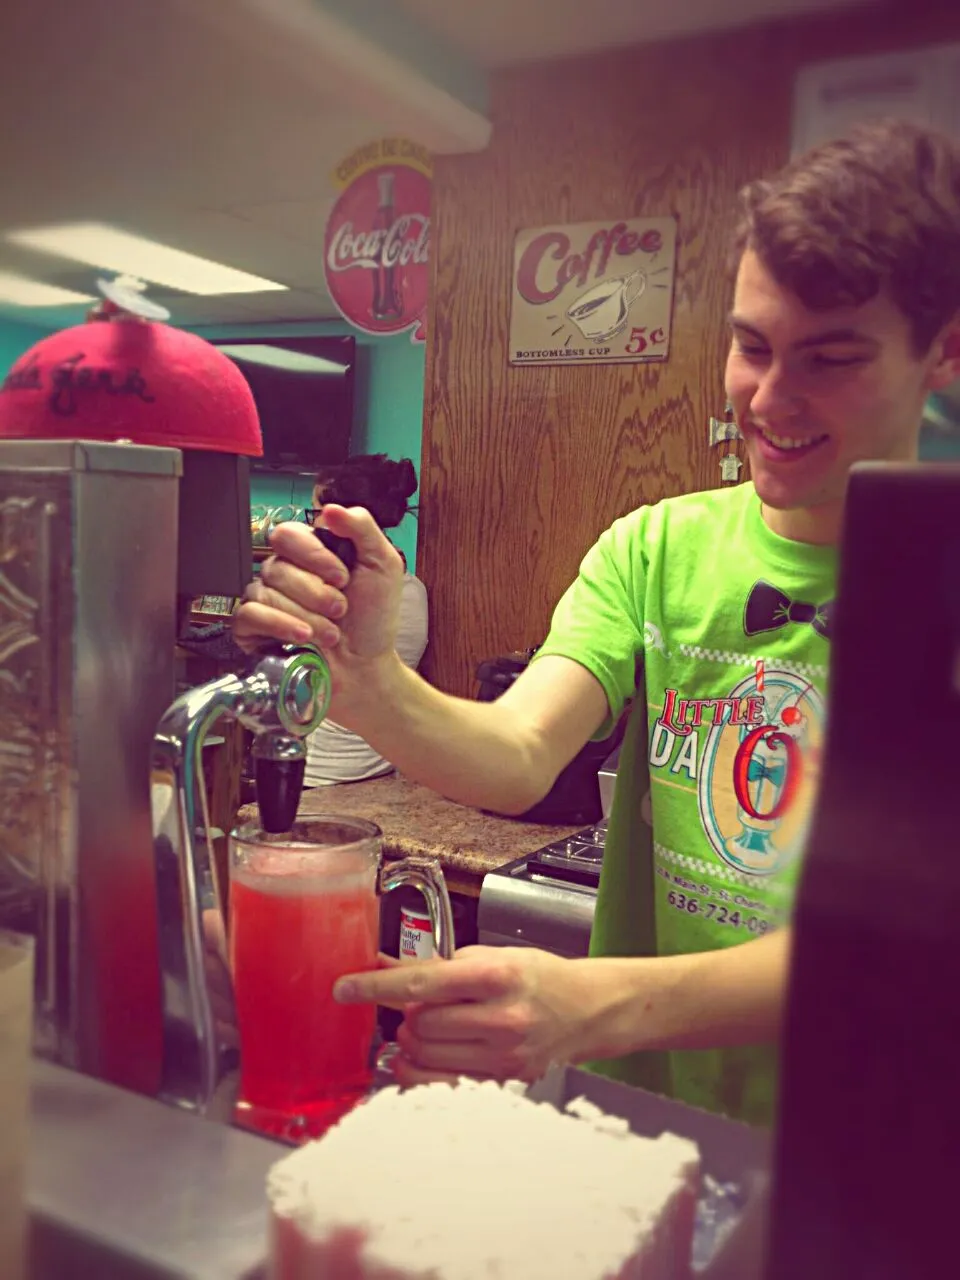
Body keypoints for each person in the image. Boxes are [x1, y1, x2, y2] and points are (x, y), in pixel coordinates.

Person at [234, 119, 960, 1126]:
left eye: (832, 358)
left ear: (944, 349)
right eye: (751, 346)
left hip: (873, 1136)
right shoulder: (655, 547)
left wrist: (594, 1002)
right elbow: (520, 752)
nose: (771, 398)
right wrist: (370, 676)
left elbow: (915, 937)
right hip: (652, 1118)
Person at [301, 454, 427, 786]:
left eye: (314, 513)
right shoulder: (412, 590)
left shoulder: (341, 594)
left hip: (322, 774)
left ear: (340, 521)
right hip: (377, 770)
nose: (310, 524)